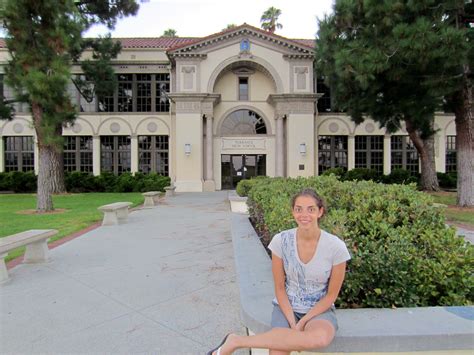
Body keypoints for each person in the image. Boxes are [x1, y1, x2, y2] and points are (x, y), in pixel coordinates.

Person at [207, 188, 351, 355]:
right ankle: (234, 341)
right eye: (298, 209)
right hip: (286, 307)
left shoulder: (336, 247)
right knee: (277, 352)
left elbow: (331, 296)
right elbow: (280, 288)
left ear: (320, 212)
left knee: (320, 339)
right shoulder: (281, 241)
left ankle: (236, 341)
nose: (304, 214)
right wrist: (291, 321)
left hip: (319, 310)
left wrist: (302, 322)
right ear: (293, 212)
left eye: (311, 209)